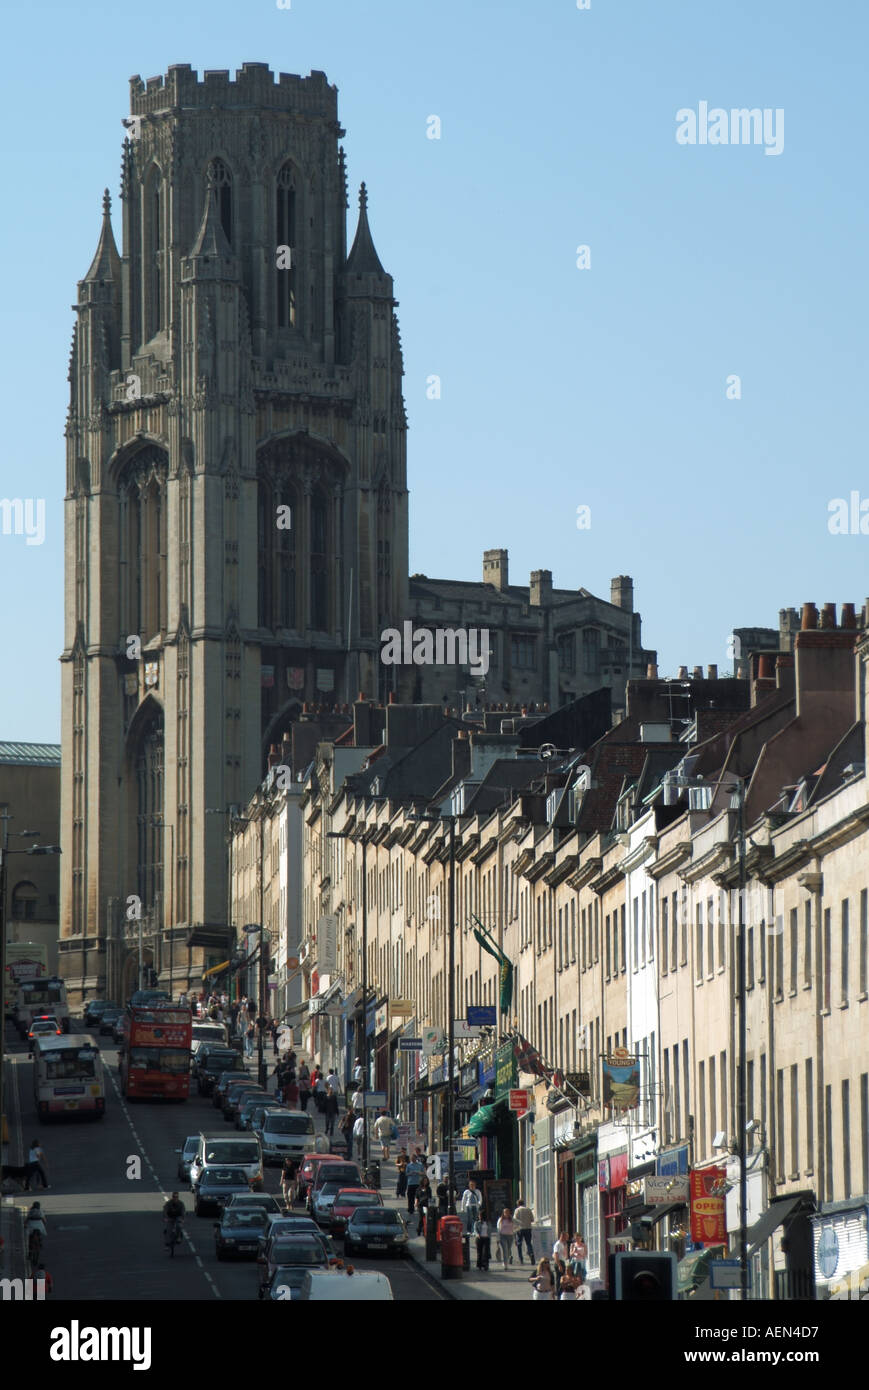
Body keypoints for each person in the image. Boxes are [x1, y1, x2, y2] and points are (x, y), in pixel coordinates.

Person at [513, 1197, 535, 1264]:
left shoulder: (517, 1210)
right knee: (528, 1242)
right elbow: (532, 1219)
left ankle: (521, 1258)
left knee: (519, 1243)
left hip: (520, 1229)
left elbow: (515, 1220)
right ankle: (531, 1253)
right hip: (528, 1228)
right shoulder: (528, 1209)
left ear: (518, 1204)